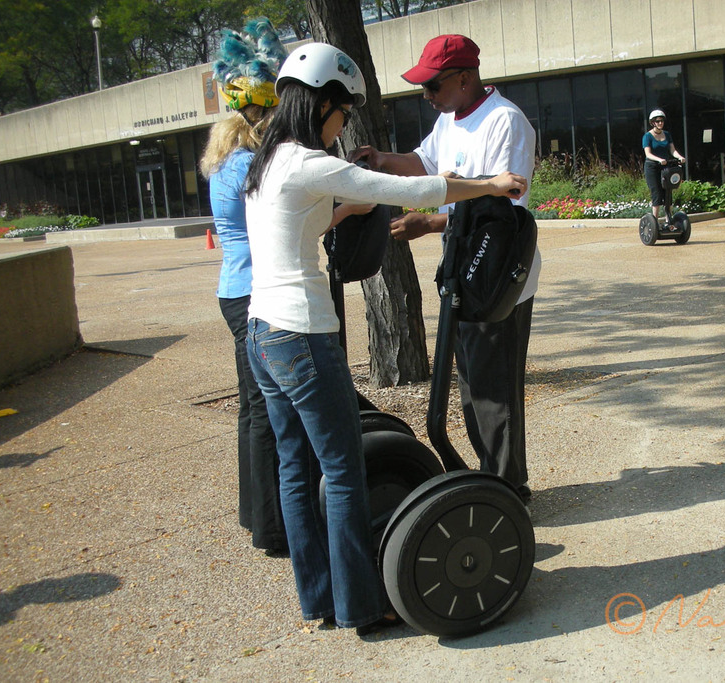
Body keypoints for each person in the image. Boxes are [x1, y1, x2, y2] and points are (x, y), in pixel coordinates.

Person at [242, 41, 527, 634]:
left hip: (262, 334)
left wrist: (345, 209)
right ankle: (362, 606)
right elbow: (419, 192)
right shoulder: (306, 161)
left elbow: (313, 215)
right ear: (324, 105)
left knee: (297, 471)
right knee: (343, 471)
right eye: (344, 113)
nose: (344, 126)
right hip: (302, 336)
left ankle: (319, 598)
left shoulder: (266, 165)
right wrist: (492, 185)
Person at [348, 34, 538, 504]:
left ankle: (508, 490)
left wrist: (429, 222)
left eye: (433, 85)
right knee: (472, 386)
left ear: (464, 77)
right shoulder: (451, 119)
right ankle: (491, 479)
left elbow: (504, 206)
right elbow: (424, 163)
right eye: (424, 88)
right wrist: (382, 161)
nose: (427, 96)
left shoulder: (505, 123)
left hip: (498, 274)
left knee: (495, 392)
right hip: (463, 270)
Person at [199, 18, 288, 556]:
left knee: (255, 408)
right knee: (263, 409)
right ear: (260, 116)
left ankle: (257, 515)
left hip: (235, 289)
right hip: (252, 294)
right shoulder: (249, 166)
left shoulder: (225, 162)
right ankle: (269, 524)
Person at [642, 109, 686, 222]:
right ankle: (654, 222)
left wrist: (680, 157)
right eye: (657, 121)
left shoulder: (667, 134)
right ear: (652, 123)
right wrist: (659, 159)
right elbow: (648, 154)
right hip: (652, 167)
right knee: (656, 192)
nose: (660, 123)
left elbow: (672, 150)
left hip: (665, 167)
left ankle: (669, 220)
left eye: (662, 121)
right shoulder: (647, 136)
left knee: (667, 192)